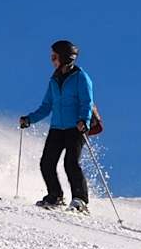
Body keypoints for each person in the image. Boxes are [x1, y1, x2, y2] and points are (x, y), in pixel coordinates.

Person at [20, 40, 94, 212]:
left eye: (55, 56)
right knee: (46, 162)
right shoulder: (54, 80)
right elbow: (46, 106)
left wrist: (84, 120)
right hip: (57, 128)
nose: (52, 60)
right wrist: (30, 119)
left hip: (76, 127)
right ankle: (55, 196)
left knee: (70, 162)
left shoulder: (81, 77)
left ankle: (80, 200)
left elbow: (87, 102)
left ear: (66, 57)